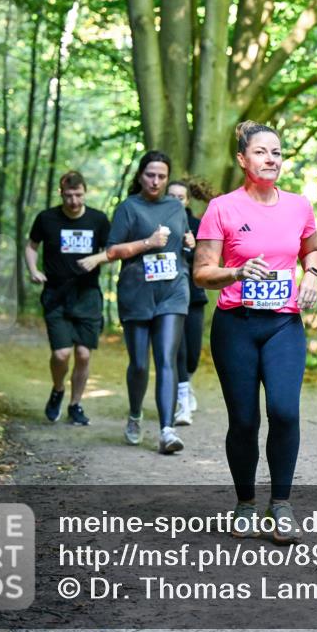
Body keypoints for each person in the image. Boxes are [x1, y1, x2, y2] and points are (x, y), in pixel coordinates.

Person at [194, 121, 317, 544]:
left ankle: (281, 504)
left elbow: (312, 249)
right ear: (242, 159)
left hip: (284, 324)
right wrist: (235, 270)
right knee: (244, 421)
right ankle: (246, 504)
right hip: (237, 325)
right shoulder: (222, 208)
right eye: (262, 152)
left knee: (284, 411)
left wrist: (313, 276)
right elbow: (201, 273)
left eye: (277, 153)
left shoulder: (299, 206)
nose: (271, 159)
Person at [104, 151, 195, 454]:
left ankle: (167, 431)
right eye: (150, 175)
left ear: (168, 179)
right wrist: (147, 244)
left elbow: (183, 243)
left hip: (172, 290)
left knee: (166, 359)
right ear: (140, 176)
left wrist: (189, 243)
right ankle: (134, 414)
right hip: (137, 292)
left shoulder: (175, 207)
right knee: (140, 364)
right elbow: (112, 251)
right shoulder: (128, 208)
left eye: (161, 176)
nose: (155, 181)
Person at [25, 170, 111, 426]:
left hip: (87, 295)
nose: (74, 201)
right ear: (61, 194)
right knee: (62, 354)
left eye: (78, 195)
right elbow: (31, 245)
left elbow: (111, 251)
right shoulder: (46, 218)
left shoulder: (98, 219)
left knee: (83, 354)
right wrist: (33, 270)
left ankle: (75, 404)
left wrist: (97, 258)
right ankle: (57, 389)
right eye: (69, 195)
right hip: (56, 295)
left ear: (85, 192)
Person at [167, 180, 214, 427]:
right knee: (179, 349)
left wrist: (194, 249)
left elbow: (208, 261)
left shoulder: (197, 226)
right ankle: (182, 400)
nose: (176, 201)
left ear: (187, 200)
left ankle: (186, 382)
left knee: (193, 353)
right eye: (171, 196)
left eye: (180, 197)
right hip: (167, 297)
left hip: (194, 296)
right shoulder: (158, 225)